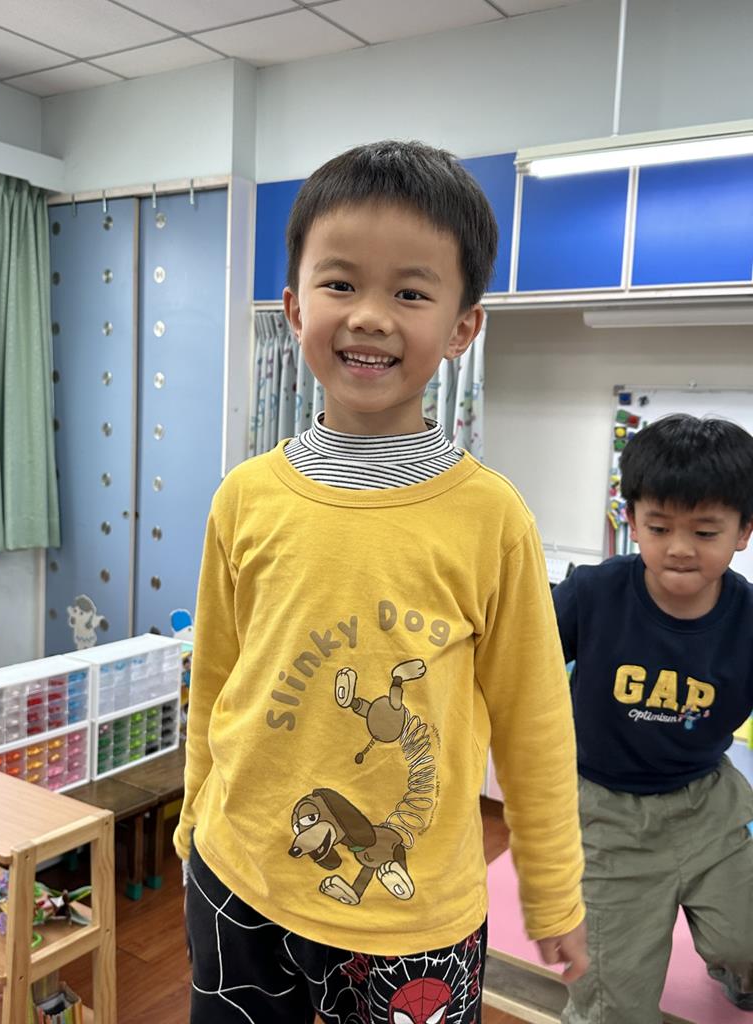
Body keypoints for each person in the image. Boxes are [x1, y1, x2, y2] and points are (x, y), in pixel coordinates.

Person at [174, 139, 587, 1023]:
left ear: (463, 326)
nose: (369, 316)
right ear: (294, 308)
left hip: (412, 914)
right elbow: (215, 679)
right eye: (340, 283)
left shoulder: (492, 518)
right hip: (236, 875)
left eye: (409, 292)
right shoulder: (244, 498)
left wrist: (553, 888)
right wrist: (193, 815)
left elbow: (535, 720)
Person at [553, 413, 753, 1024]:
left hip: (709, 802)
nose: (680, 547)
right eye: (660, 527)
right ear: (632, 521)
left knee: (746, 943)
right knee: (612, 1003)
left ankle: (735, 974)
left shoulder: (748, 619)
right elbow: (515, 659)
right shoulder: (593, 593)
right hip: (605, 818)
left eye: (705, 531)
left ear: (743, 532)